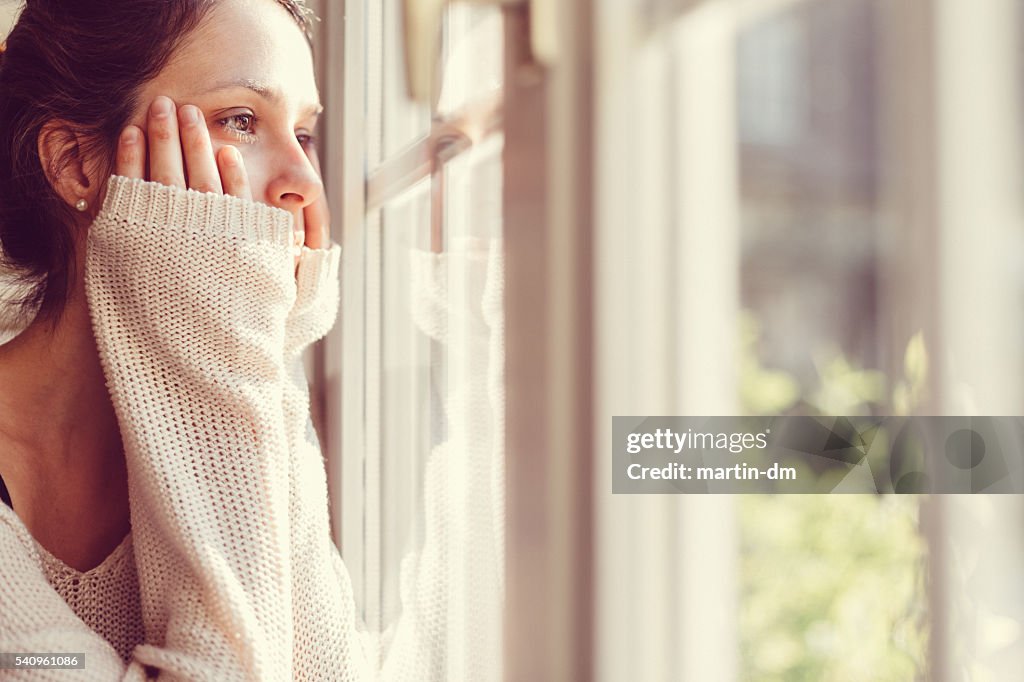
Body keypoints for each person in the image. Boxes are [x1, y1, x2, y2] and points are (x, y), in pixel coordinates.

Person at [0, 0, 374, 678]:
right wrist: (224, 358)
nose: (303, 183)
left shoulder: (241, 404)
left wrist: (260, 356)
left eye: (304, 132)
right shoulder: (219, 394)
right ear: (75, 166)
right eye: (241, 120)